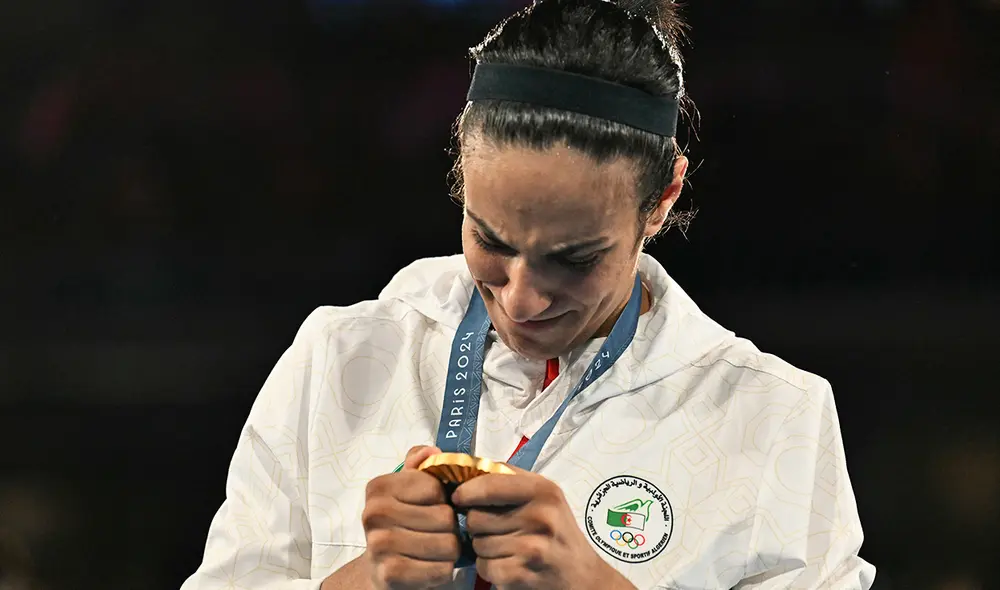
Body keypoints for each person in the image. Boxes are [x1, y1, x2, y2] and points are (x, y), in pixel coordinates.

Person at [181, 0, 875, 588]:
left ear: (662, 199)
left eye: (573, 261)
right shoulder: (342, 361)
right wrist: (360, 580)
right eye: (491, 241)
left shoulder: (772, 417)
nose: (521, 300)